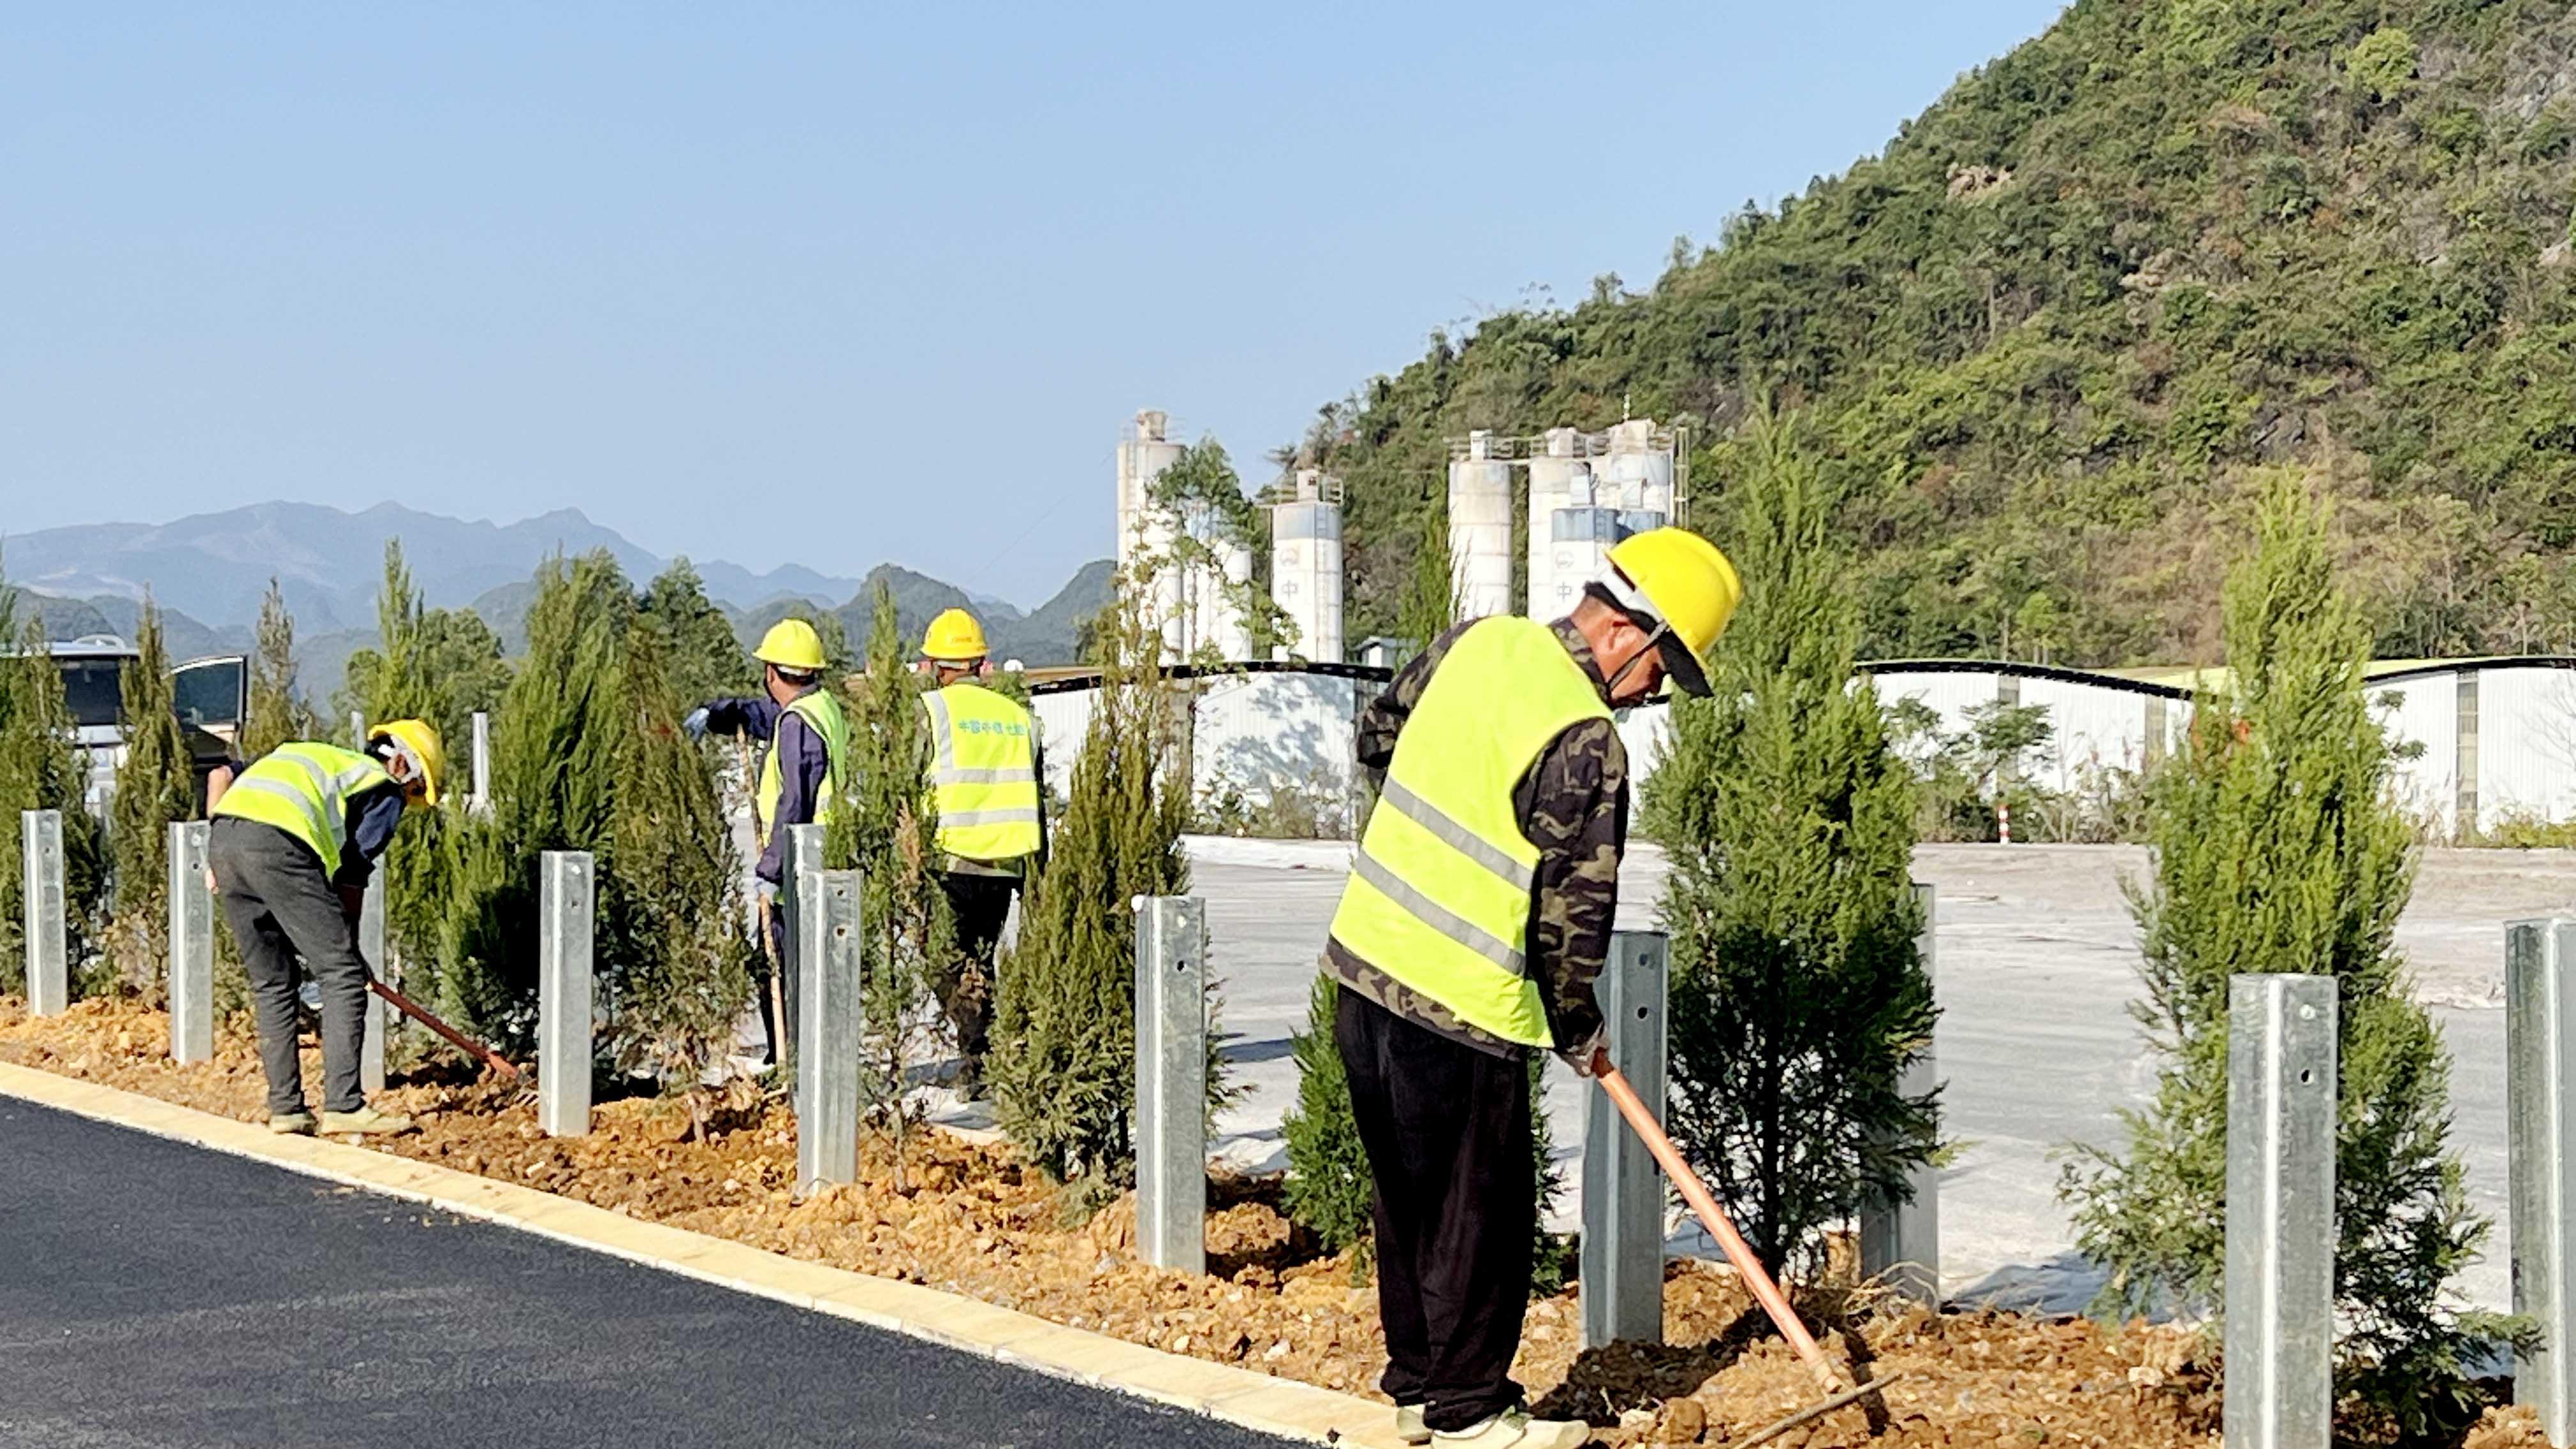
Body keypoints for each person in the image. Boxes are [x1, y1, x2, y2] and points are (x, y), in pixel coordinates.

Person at [1322, 528, 1742, 1448]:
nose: (1658, 692)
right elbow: (1573, 917)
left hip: (1361, 969)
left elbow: (1375, 738)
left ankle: (1418, 1388)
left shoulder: (1475, 642)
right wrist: (1576, 1024)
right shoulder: (1587, 738)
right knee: (1483, 1214)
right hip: (1463, 1003)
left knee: (1408, 1201)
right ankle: (1469, 1412)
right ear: (1632, 637)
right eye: (1666, 670)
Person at [205, 720, 447, 1138]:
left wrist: (225, 844)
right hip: (278, 845)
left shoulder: (316, 757)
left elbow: (220, 776)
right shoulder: (381, 787)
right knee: (343, 977)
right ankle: (345, 1106)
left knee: (273, 983)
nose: (406, 805)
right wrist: (347, 950)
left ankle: (287, 1110)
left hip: (225, 842)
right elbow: (352, 873)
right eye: (414, 792)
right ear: (403, 764)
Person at [685, 618, 851, 1066]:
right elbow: (762, 715)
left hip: (801, 869)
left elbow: (794, 804)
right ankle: (793, 1058)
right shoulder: (819, 707)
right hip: (821, 860)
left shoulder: (800, 725)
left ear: (772, 672)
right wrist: (720, 713)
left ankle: (789, 1061)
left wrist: (769, 872)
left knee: (782, 966)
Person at [916, 607, 1044, 1094]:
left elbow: (908, 782)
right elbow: (1037, 796)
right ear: (981, 663)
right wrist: (1038, 877)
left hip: (951, 858)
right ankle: (980, 1064)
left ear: (936, 667)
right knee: (980, 961)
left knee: (943, 962)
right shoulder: (1020, 719)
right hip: (1006, 863)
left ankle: (980, 1048)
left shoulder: (932, 712)